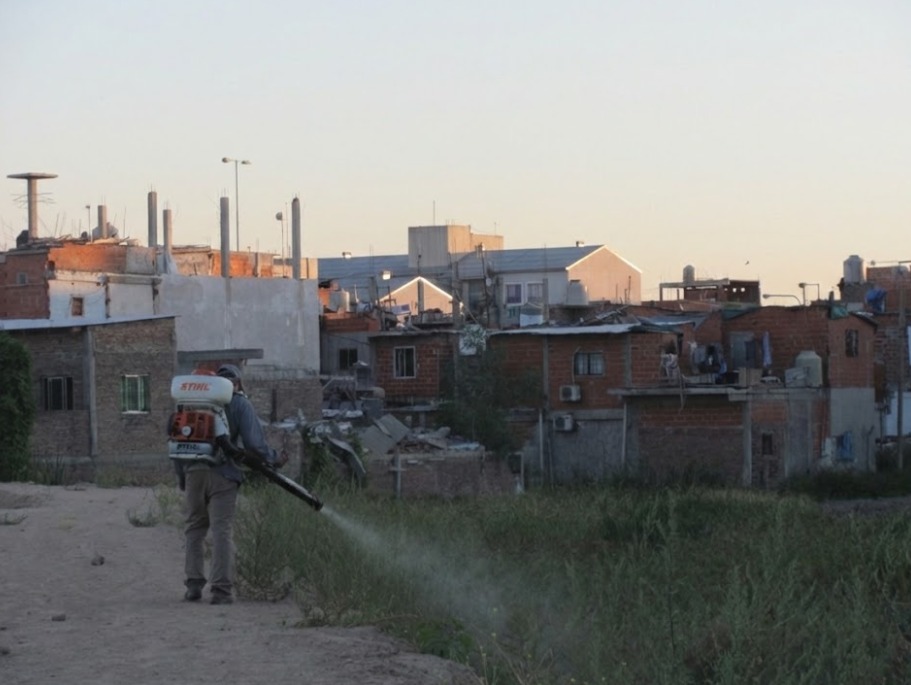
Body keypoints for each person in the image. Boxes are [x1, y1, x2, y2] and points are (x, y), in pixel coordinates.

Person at [178, 363, 287, 605]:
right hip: (224, 474)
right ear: (236, 383)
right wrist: (274, 458)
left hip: (193, 472)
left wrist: (183, 477)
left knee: (194, 529)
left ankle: (193, 585)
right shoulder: (239, 403)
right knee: (221, 530)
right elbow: (254, 444)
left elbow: (177, 439)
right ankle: (221, 590)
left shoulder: (193, 403)